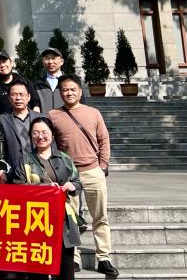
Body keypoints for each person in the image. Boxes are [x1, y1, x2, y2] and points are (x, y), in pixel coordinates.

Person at [49, 75, 117, 278]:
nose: (69, 93)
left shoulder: (93, 113)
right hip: (68, 176)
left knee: (100, 216)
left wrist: (102, 166)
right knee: (69, 219)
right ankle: (74, 257)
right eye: (64, 90)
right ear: (60, 93)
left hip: (92, 171)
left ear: (80, 91)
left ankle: (103, 257)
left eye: (72, 89)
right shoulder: (54, 115)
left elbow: (104, 140)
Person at [12, 116, 83, 280]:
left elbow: (78, 182)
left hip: (63, 221)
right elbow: (17, 188)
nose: (40, 136)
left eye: (44, 132)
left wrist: (72, 186)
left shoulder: (64, 158)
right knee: (37, 271)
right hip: (36, 221)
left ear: (52, 134)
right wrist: (43, 189)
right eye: (35, 133)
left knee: (65, 270)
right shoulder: (25, 161)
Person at [0, 79, 47, 173]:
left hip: (41, 168)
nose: (18, 98)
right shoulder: (1, 119)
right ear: (9, 98)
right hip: (14, 170)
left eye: (21, 94)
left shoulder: (42, 118)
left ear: (29, 97)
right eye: (14, 95)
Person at [36, 47, 67, 113]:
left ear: (62, 61)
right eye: (47, 58)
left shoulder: (70, 82)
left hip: (65, 119)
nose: (50, 62)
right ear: (43, 62)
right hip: (44, 119)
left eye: (53, 58)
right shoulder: (37, 84)